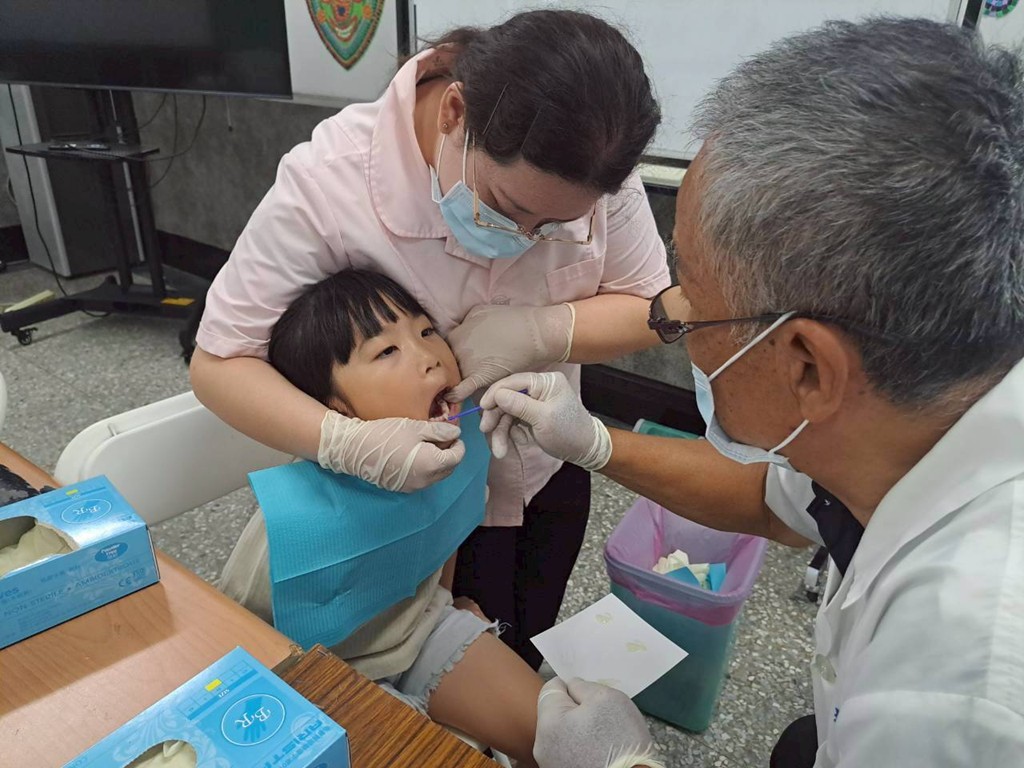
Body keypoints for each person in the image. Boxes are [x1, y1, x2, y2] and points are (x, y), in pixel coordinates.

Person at [480, 17, 1024, 768]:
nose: (670, 315)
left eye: (692, 301)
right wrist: (594, 443)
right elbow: (774, 500)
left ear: (809, 367)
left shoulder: (951, 700)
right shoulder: (906, 419)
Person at [189, 9, 669, 669]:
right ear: (454, 113)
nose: (527, 238)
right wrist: (348, 443)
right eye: (508, 208)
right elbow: (219, 361)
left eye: (555, 227)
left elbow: (651, 306)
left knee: (519, 647)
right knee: (399, 675)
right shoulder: (328, 182)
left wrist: (544, 331)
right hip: (399, 504)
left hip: (540, 472)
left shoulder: (592, 163)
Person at [219, 269, 543, 765]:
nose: (430, 356)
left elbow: (445, 533)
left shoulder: (456, 445)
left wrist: (449, 604)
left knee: (564, 731)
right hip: (312, 674)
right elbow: (241, 632)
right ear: (336, 408)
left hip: (416, 628)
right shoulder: (298, 517)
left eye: (427, 331)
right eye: (386, 351)